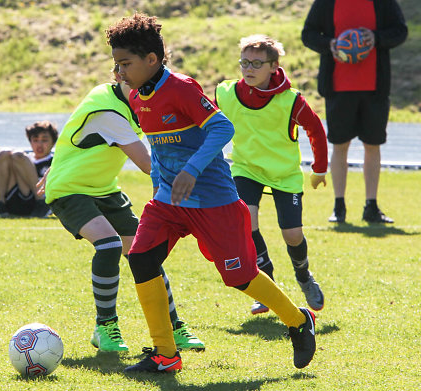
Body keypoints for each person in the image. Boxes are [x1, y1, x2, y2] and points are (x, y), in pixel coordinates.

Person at [106, 12, 316, 373]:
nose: (120, 72)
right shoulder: (138, 97)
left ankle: (298, 320)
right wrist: (162, 186)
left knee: (239, 277)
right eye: (116, 65)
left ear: (152, 60)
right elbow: (159, 148)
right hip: (168, 203)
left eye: (125, 64)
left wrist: (191, 169)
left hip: (213, 202)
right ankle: (165, 354)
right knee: (140, 258)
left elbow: (221, 127)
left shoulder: (181, 87)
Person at [40, 66, 205, 353]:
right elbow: (147, 164)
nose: (144, 89)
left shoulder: (139, 103)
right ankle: (105, 328)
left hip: (104, 188)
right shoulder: (109, 110)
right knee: (108, 245)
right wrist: (195, 171)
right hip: (69, 189)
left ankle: (174, 328)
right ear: (118, 76)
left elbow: (71, 135)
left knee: (145, 252)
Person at [215, 35, 328, 316]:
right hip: (246, 169)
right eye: (244, 62)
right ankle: (266, 286)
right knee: (246, 220)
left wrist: (319, 169)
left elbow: (316, 130)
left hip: (284, 173)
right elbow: (201, 116)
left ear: (274, 66)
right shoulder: (227, 94)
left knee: (292, 235)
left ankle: (303, 276)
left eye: (256, 63)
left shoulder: (291, 101)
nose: (248, 69)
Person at [302, 0, 408, 223]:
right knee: (340, 146)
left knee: (373, 145)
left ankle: (371, 206)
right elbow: (308, 33)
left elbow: (400, 31)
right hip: (339, 89)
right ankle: (338, 206)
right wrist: (329, 44)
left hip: (374, 89)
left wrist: (376, 38)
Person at [0, 120, 57, 217]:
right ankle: (1, 203)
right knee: (4, 153)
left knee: (17, 155)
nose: (39, 144)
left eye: (44, 140)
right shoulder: (25, 159)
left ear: (53, 142)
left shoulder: (54, 162)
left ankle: (41, 202)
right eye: (35, 140)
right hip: (15, 198)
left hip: (34, 201)